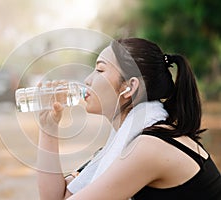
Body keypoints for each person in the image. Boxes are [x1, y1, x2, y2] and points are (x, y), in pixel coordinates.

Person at [37, 38, 221, 200]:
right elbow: (57, 197)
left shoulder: (149, 147)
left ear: (129, 87)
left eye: (100, 70)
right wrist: (48, 128)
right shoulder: (127, 141)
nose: (87, 80)